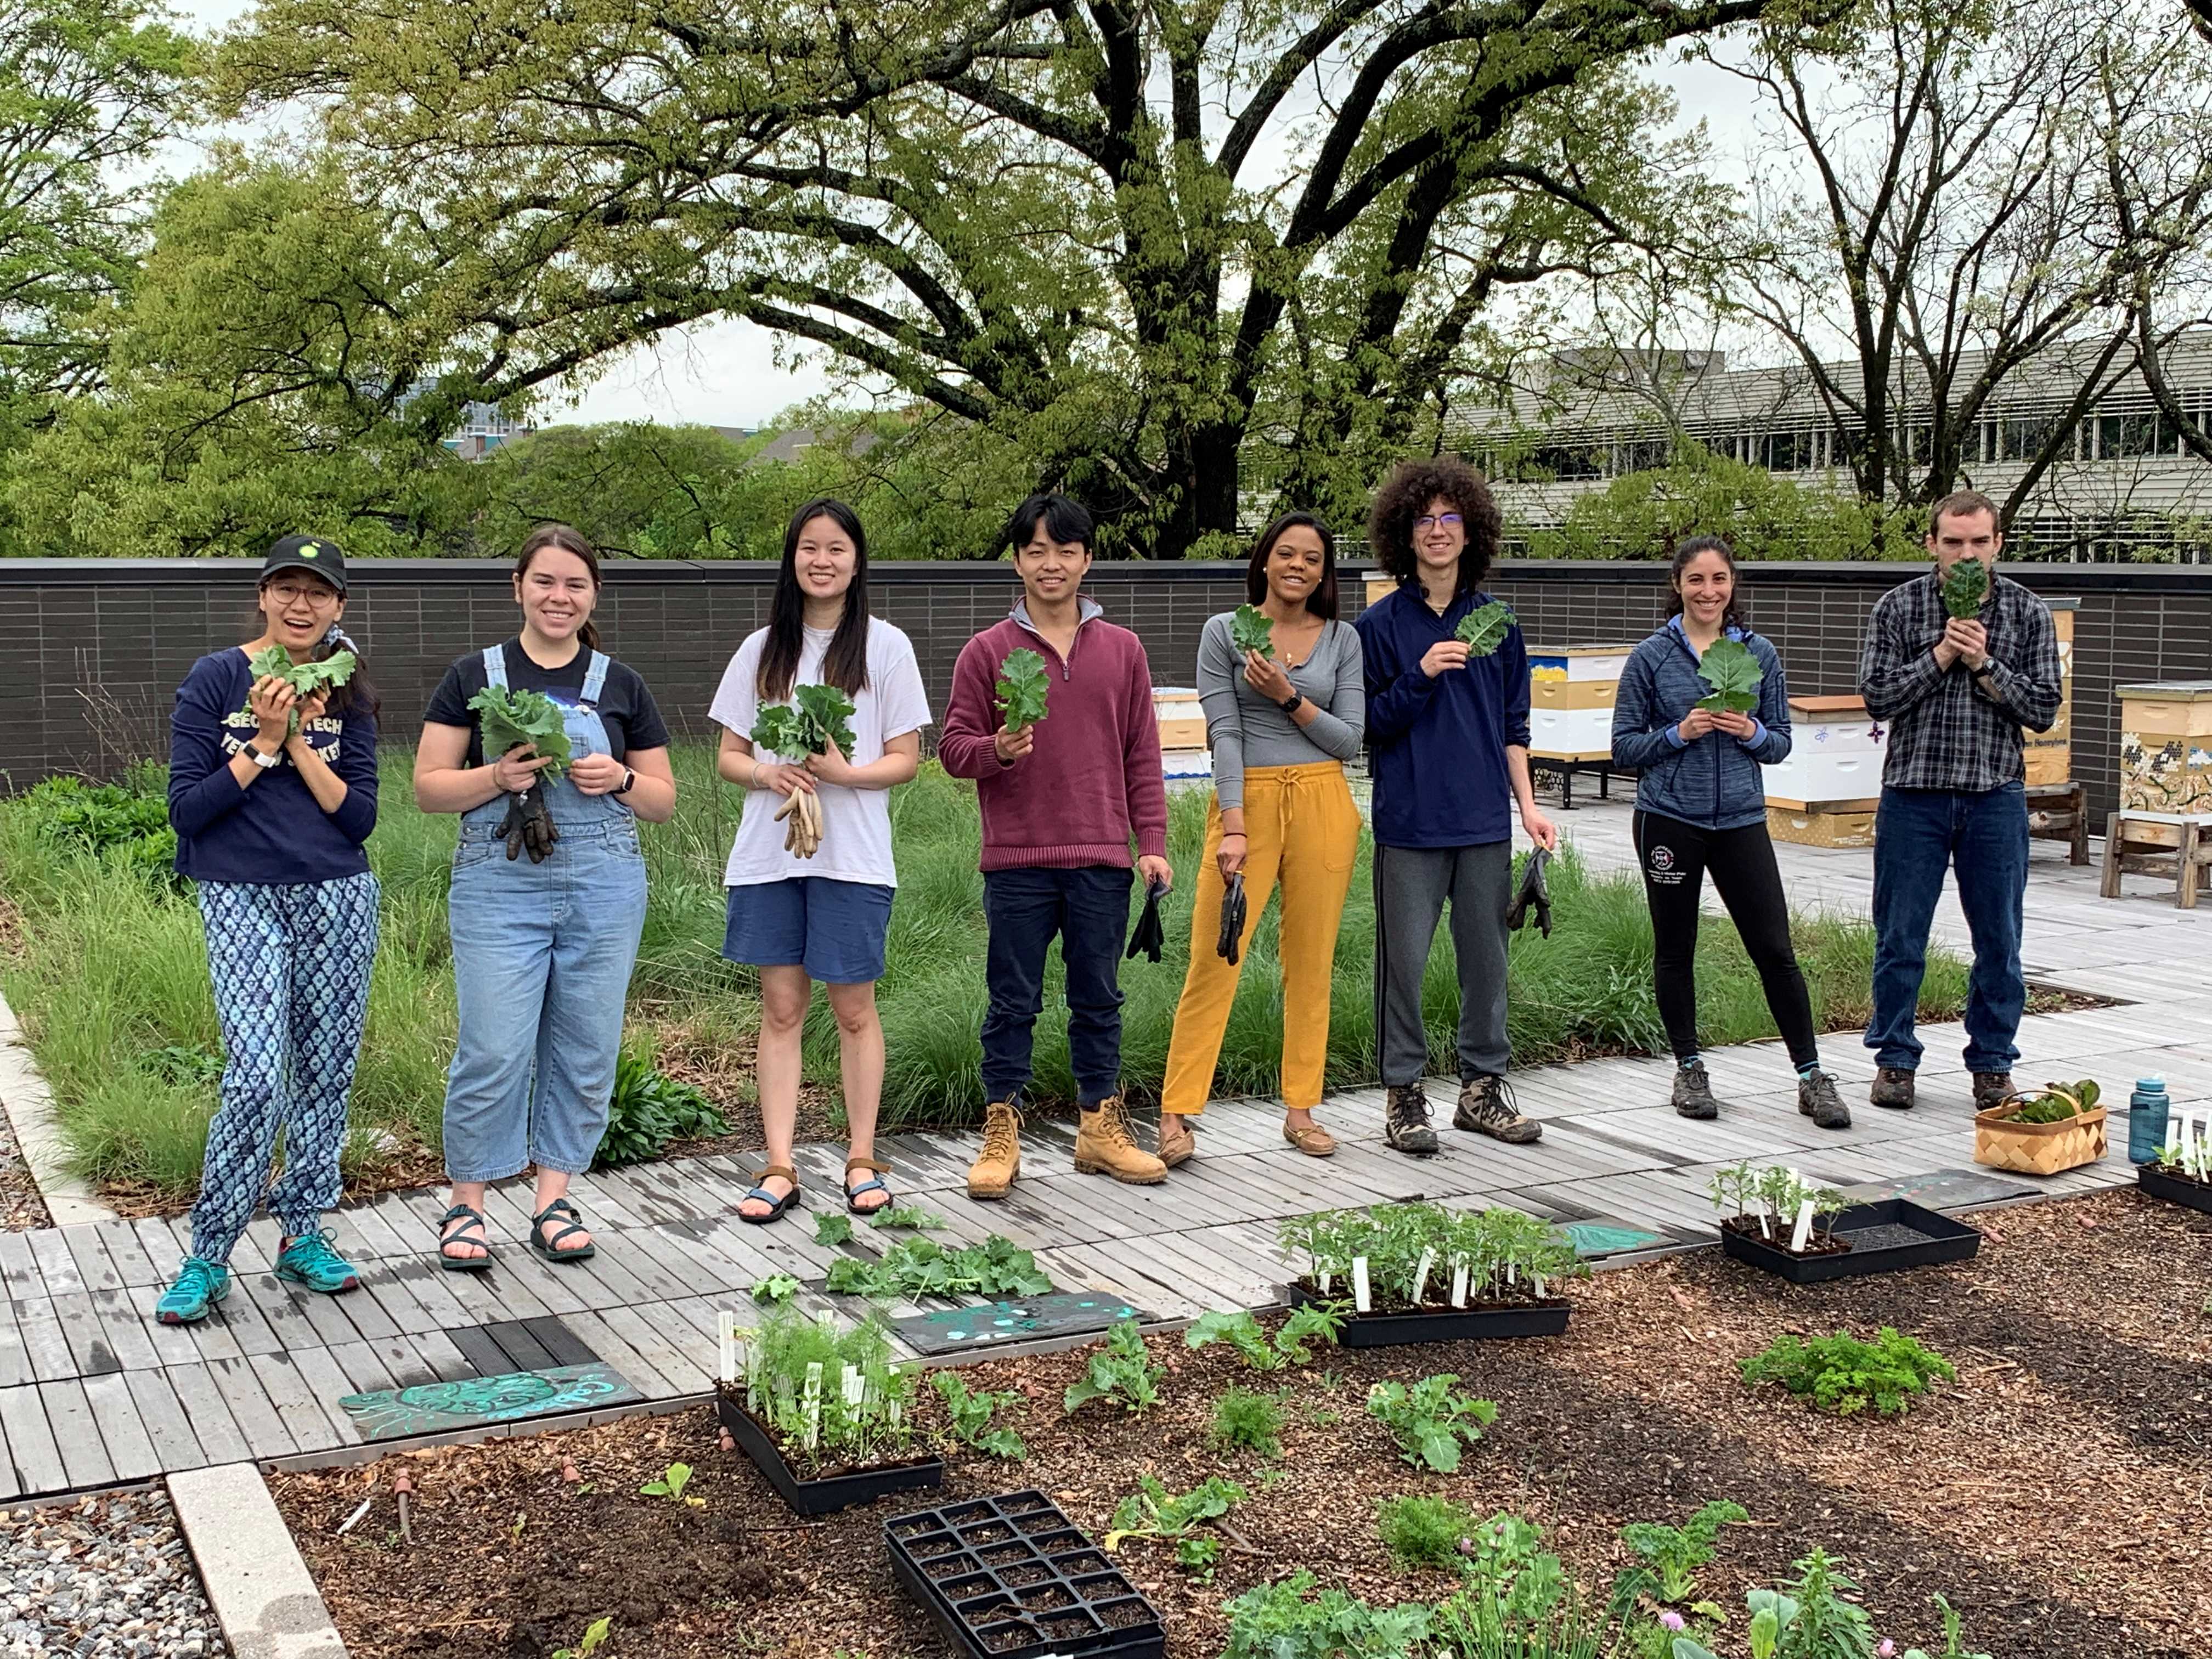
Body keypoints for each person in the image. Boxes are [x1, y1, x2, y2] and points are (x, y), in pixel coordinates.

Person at [414, 524, 678, 1268]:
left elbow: (662, 800)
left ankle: (553, 1195)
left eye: (575, 585)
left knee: (586, 1043)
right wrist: (494, 778)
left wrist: (620, 780)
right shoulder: (473, 676)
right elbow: (430, 789)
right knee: (494, 1046)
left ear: (593, 594)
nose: (559, 597)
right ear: (519, 587)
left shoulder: (621, 684)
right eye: (545, 582)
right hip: (498, 881)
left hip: (604, 880)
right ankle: (467, 1202)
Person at [156, 535, 382, 1323]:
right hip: (240, 894)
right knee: (256, 1075)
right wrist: (260, 744)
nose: (301, 604)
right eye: (286, 588)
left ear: (339, 607)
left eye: (318, 593)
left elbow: (359, 818)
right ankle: (209, 1253)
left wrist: (299, 747)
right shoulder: (216, 678)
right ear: (262, 595)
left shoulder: (347, 688)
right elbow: (186, 810)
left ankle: (304, 1234)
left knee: (325, 1071)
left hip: (337, 894)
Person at [938, 493, 1175, 1197]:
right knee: (1013, 1000)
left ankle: (1100, 1127)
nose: (1051, 564)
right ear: (1017, 561)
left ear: (1087, 560)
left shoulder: (1123, 650)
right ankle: (1001, 1131)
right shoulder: (987, 652)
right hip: (1018, 860)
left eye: (1065, 551)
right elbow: (951, 749)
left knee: (1099, 997)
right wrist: (998, 750)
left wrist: (1151, 841)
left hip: (1102, 855)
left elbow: (1143, 756)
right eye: (1036, 551)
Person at [708, 498, 930, 1224]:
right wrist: (770, 775)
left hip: (855, 857)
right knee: (780, 1007)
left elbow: (906, 760)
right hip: (772, 856)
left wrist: (841, 773)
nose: (822, 560)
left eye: (836, 548)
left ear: (857, 560)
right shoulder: (762, 648)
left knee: (854, 1008)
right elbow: (728, 756)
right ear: (793, 558)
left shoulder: (886, 647)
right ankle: (780, 1163)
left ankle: (862, 1157)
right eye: (809, 547)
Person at [1355, 457, 1559, 1158]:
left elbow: (1514, 726)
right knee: (1403, 964)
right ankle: (1404, 1092)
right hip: (1409, 825)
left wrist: (1528, 808)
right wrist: (1421, 675)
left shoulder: (1498, 623)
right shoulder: (1378, 626)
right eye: (1424, 519)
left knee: (1487, 962)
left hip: (1483, 825)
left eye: (1449, 518)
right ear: (1404, 535)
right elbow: (1366, 726)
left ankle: (1482, 1089)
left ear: (1471, 532)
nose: (1437, 531)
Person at [1610, 536, 1850, 1128]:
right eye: (1696, 580)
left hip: (1742, 819)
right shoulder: (1651, 658)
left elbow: (1781, 742)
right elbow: (1621, 749)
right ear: (1678, 585)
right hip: (1669, 819)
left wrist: (1748, 732)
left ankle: (1812, 1075)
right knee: (1676, 948)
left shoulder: (1758, 653)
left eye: (1718, 579)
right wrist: (1678, 733)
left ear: (1732, 585)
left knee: (1774, 949)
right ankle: (1689, 1067)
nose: (1708, 591)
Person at [1157, 513, 1365, 1164]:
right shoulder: (1225, 632)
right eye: (1286, 554)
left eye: (1312, 559)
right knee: (1214, 957)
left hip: (1325, 800)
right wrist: (1236, 824)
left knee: (1311, 960)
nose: (1298, 566)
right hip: (1249, 803)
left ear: (1324, 573)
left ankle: (1302, 1109)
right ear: (1266, 561)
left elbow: (1349, 740)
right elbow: (1224, 731)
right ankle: (1176, 1112)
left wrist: (1285, 695)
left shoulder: (1342, 640)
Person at [1858, 489, 2061, 1112]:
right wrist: (1942, 654)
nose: (1966, 554)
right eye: (1953, 542)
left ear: (1998, 544)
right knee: (1901, 937)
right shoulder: (1900, 606)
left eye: (1978, 542)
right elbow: (1877, 696)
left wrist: (1983, 663)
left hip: (1994, 795)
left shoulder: (2027, 612)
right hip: (1913, 796)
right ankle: (1894, 1059)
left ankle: (1993, 1063)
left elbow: (2044, 709)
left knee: (1999, 940)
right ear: (1932, 545)